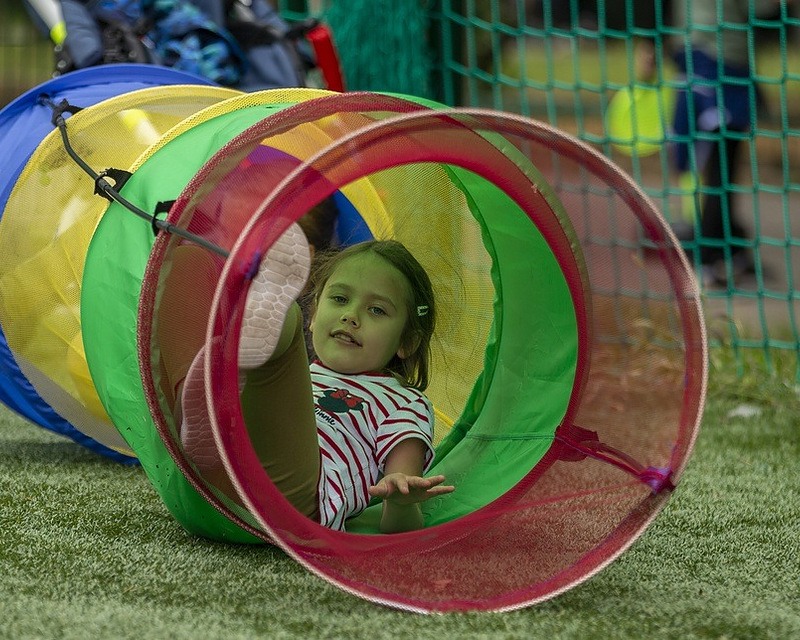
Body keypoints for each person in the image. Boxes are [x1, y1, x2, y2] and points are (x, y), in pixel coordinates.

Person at [174, 225, 454, 533]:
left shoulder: (404, 402)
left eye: (376, 310)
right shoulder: (302, 375)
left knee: (283, 326)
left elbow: (400, 501)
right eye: (339, 298)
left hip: (295, 500)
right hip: (217, 487)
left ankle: (258, 318)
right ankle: (204, 412)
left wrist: (402, 502)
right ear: (315, 314)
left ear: (407, 342)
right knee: (189, 263)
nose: (351, 316)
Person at [668, 0, 785, 286]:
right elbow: (763, 8)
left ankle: (728, 250)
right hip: (717, 60)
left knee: (718, 163)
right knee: (720, 164)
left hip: (701, 55)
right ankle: (709, 259)